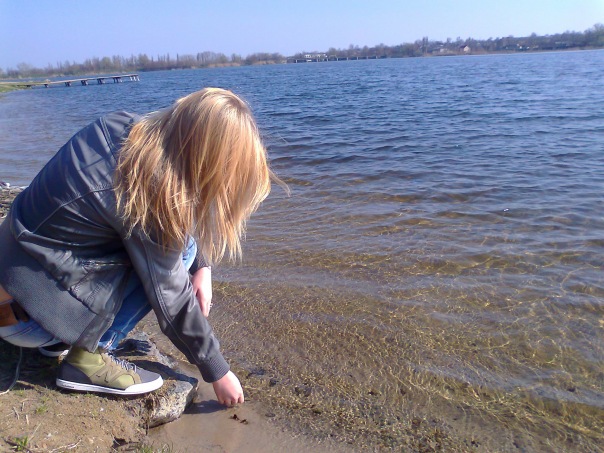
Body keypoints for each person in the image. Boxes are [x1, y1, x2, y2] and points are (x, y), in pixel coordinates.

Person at [0, 88, 278, 405]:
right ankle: (88, 358)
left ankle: (59, 338)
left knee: (184, 249)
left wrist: (202, 266)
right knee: (174, 260)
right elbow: (171, 299)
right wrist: (217, 370)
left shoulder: (119, 127)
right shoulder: (152, 192)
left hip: (12, 286)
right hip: (24, 322)